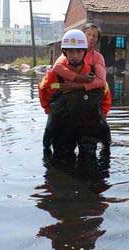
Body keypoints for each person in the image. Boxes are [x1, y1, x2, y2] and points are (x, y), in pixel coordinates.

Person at [39, 29, 111, 162]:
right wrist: (49, 111)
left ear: (85, 52)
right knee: (62, 157)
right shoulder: (55, 73)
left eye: (79, 51)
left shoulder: (94, 73)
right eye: (71, 51)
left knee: (89, 158)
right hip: (63, 124)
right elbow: (43, 89)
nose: (75, 55)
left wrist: (101, 114)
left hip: (88, 126)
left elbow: (105, 95)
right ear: (64, 52)